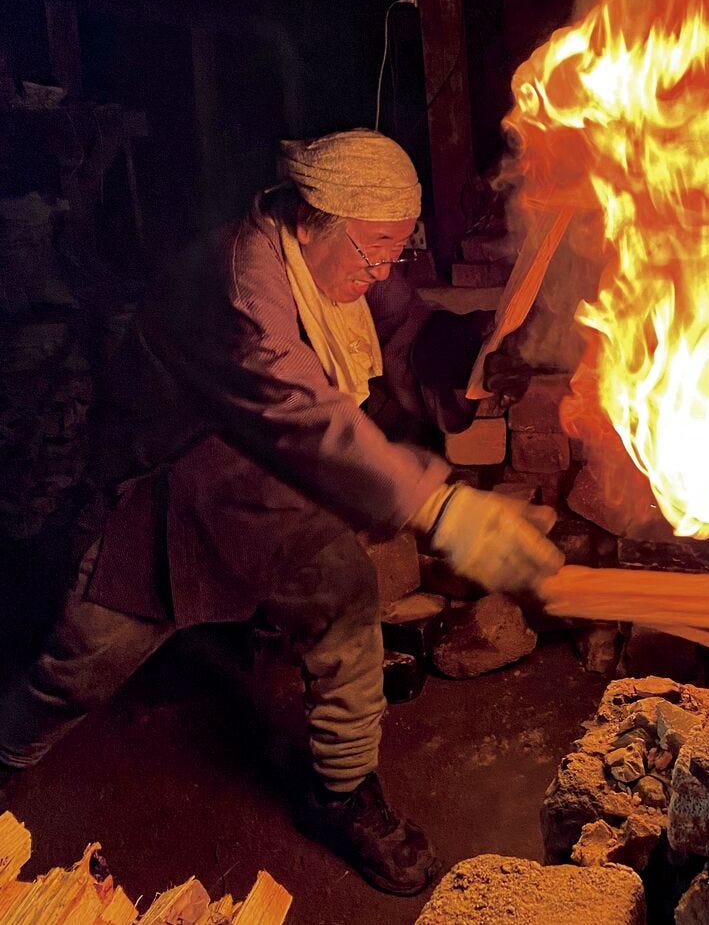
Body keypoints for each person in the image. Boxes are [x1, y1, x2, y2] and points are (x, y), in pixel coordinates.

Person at [0, 129, 563, 897]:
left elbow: (407, 325)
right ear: (311, 219)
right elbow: (302, 411)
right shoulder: (241, 283)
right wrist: (436, 504)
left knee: (344, 601)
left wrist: (473, 352)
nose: (379, 271)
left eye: (395, 251)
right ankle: (7, 754)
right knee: (87, 658)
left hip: (269, 485)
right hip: (172, 489)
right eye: (372, 250)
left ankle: (341, 790)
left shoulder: (348, 260)